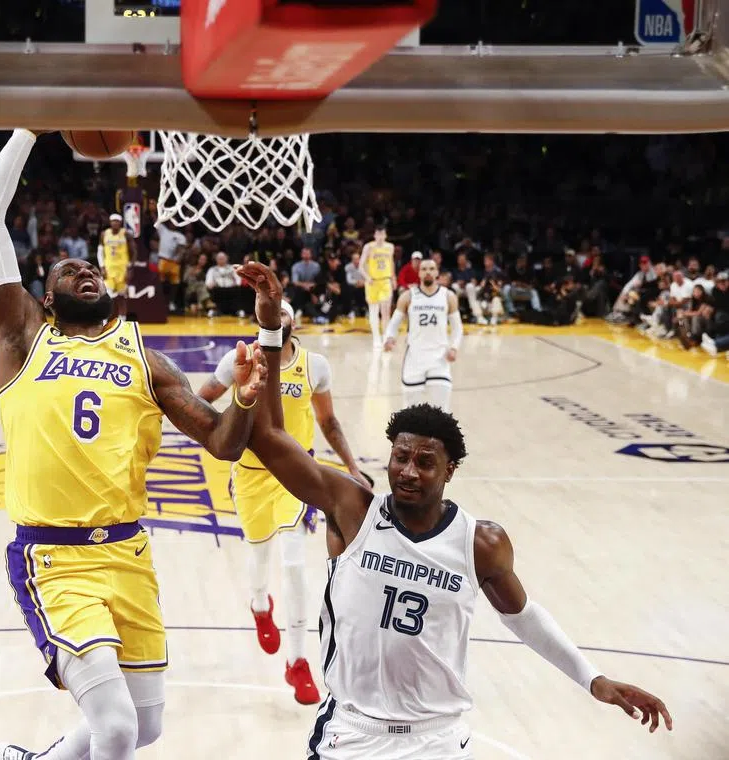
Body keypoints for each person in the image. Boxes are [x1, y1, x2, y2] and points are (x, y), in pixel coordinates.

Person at [235, 261, 671, 760]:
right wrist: (270, 329)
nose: (408, 471)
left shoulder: (480, 542)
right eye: (400, 457)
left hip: (437, 739)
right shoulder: (352, 509)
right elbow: (271, 438)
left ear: (450, 470)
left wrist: (593, 679)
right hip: (351, 733)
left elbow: (524, 617)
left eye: (425, 462)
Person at [0, 129, 267, 760]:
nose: (85, 271)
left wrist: (243, 397)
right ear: (45, 299)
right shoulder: (24, 339)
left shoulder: (146, 360)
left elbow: (221, 443)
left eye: (91, 270)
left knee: (144, 726)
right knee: (115, 728)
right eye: (69, 271)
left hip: (128, 552)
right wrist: (28, 127)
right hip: (54, 557)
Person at [197, 306, 366, 705]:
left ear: (293, 322)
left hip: (295, 472)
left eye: (284, 314)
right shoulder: (240, 360)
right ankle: (259, 605)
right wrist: (228, 428)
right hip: (250, 473)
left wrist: (353, 467)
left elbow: (328, 421)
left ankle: (298, 661)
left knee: (294, 563)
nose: (279, 319)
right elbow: (201, 400)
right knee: (258, 557)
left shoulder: (314, 365)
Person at [383, 259, 463, 413]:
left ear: (437, 272)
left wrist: (454, 348)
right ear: (418, 273)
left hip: (439, 358)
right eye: (424, 269)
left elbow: (457, 327)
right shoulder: (408, 296)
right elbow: (394, 323)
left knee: (442, 411)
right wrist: (390, 338)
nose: (428, 272)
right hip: (415, 357)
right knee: (410, 411)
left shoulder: (448, 296)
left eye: (431, 268)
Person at [361, 225, 396, 349]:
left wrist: (393, 278)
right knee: (374, 311)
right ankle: (376, 337)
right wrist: (367, 277)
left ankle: (385, 336)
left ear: (385, 235)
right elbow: (361, 265)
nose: (380, 237)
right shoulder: (368, 247)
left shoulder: (390, 247)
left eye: (382, 234)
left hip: (385, 281)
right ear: (375, 235)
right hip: (372, 282)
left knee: (385, 311)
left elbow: (391, 263)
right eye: (378, 234)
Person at [97, 213, 131, 297]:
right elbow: (100, 252)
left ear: (121, 222)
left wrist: (130, 268)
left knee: (122, 296)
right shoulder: (104, 234)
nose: (115, 223)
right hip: (109, 268)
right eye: (113, 221)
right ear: (110, 222)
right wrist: (102, 267)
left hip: (122, 269)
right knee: (108, 295)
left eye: (117, 221)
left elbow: (133, 252)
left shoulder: (126, 234)